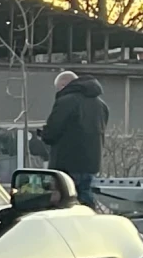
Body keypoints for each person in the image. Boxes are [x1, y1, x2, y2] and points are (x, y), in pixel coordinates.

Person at [38, 70, 109, 206]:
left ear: (64, 86)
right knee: (85, 201)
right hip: (91, 164)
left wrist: (43, 133)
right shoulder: (101, 105)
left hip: (66, 164)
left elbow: (51, 133)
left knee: (64, 204)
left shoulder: (65, 101)